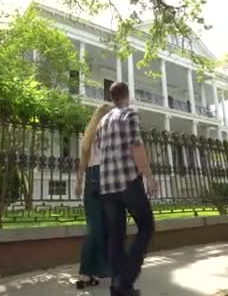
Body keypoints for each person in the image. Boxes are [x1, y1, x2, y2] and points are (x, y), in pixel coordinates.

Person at [95, 82, 159, 296]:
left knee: (116, 235)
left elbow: (99, 150)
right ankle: (126, 280)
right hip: (128, 181)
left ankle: (118, 285)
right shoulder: (129, 114)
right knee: (147, 226)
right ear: (127, 96)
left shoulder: (102, 121)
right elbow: (136, 146)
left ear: (112, 97)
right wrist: (149, 177)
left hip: (108, 186)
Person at [74, 104, 112, 290]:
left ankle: (90, 273)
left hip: (91, 179)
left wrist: (79, 183)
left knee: (95, 227)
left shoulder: (89, 134)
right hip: (106, 177)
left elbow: (83, 162)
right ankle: (89, 271)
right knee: (104, 228)